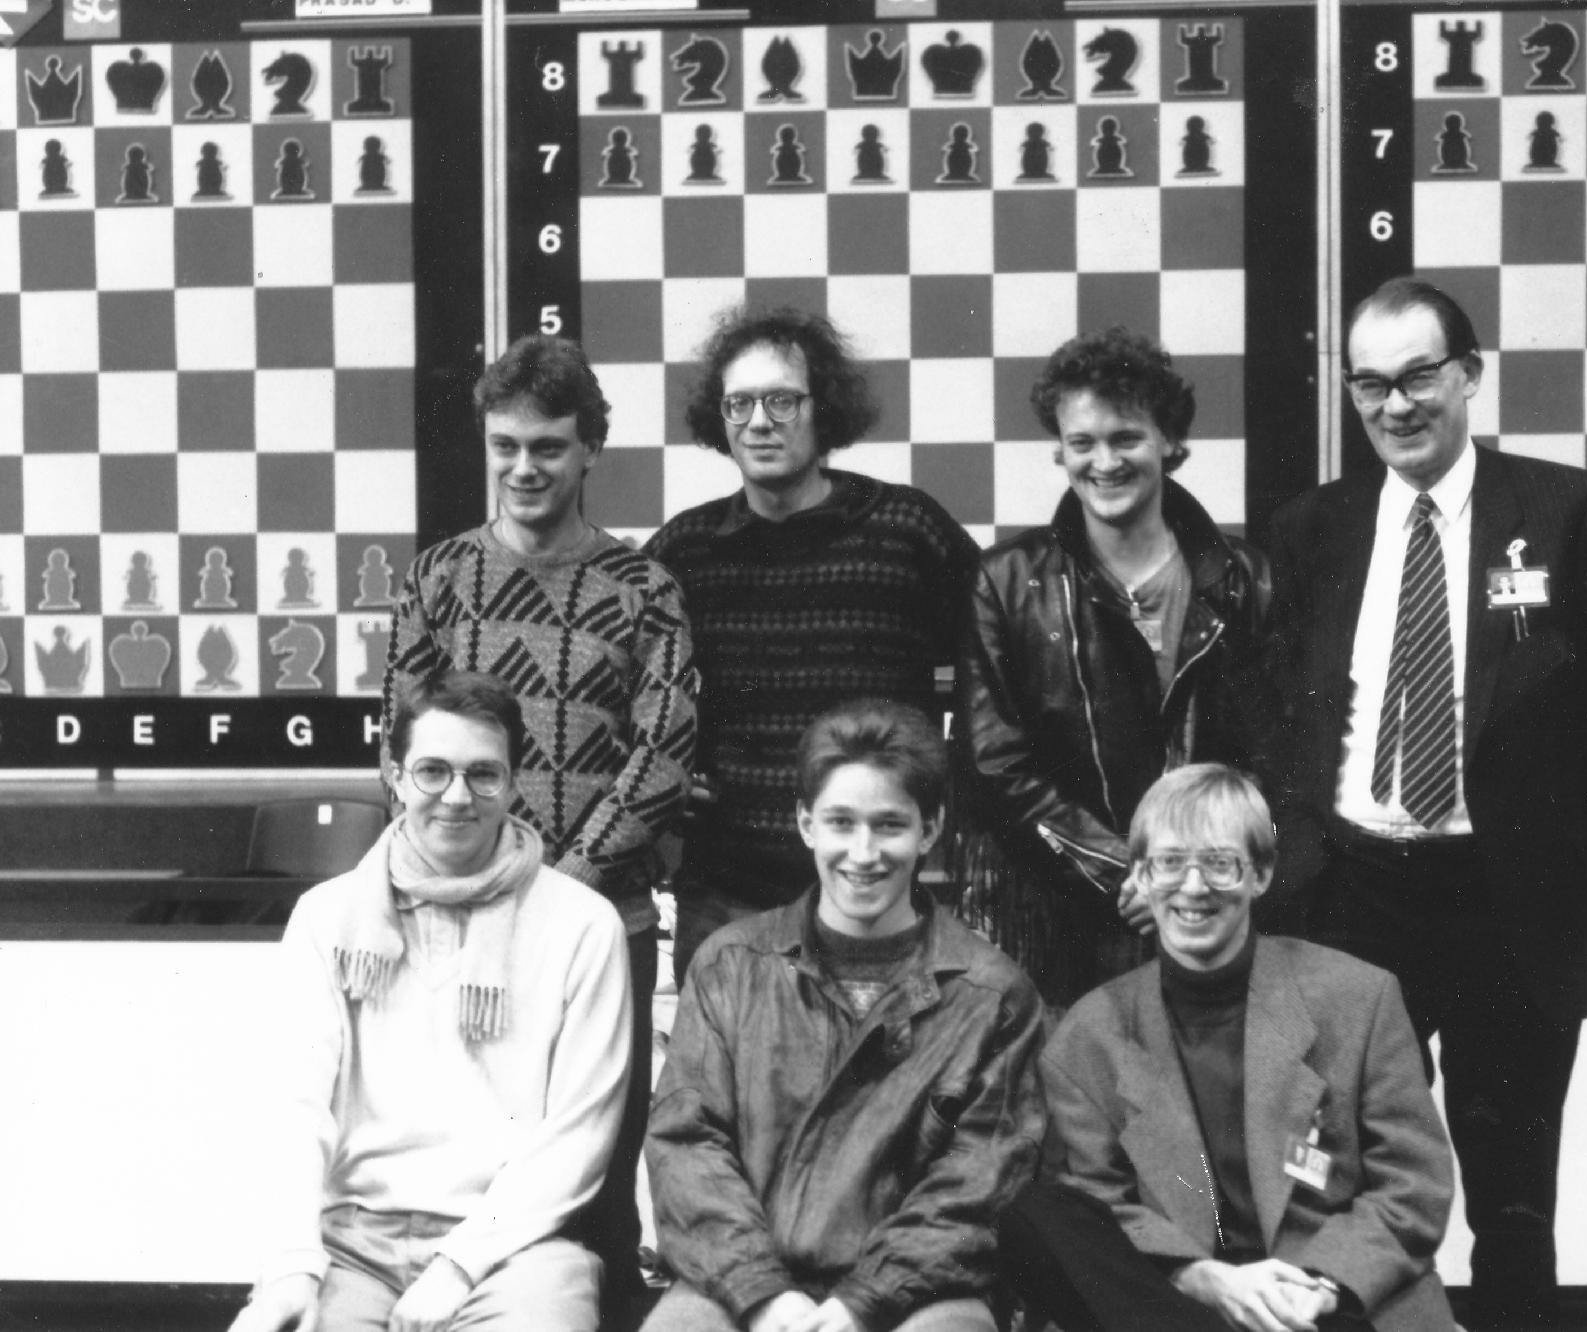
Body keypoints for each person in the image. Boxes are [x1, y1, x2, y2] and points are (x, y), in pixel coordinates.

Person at [1259, 277, 1587, 1329]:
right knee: (1333, 1190)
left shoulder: (1563, 510)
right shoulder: (1309, 528)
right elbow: (1286, 712)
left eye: (1419, 375)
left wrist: (1529, 835)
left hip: (1501, 902)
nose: (1396, 405)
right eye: (1369, 384)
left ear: (1467, 376)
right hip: (1353, 903)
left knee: (1514, 1204)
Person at [380, 333, 698, 1326]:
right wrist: (494, 885)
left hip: (602, 929)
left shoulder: (643, 588)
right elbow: (408, 755)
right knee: (462, 1173)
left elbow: (663, 754)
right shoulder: (437, 580)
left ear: (588, 449)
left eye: (549, 447)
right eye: (507, 445)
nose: (526, 468)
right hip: (457, 928)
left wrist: (555, 887)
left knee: (594, 1190)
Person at [230, 671, 631, 1332]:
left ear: (513, 782)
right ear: (394, 777)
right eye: (432, 771)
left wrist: (458, 1266)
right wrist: (291, 1268)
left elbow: (579, 1135)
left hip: (515, 1248)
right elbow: (295, 1107)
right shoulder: (325, 919)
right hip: (352, 1245)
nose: (457, 796)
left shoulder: (583, 925)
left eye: (484, 774)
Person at [998, 764, 1455, 1332]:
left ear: (1259, 875)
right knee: (1041, 1215)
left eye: (1219, 863)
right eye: (1168, 863)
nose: (1193, 887)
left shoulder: (1359, 997)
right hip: (1184, 1302)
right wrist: (1205, 1280)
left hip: (1322, 1300)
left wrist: (1316, 1288)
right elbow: (1102, 1205)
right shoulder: (1090, 1035)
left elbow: (1412, 1187)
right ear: (1139, 877)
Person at [644, 699, 1045, 1332]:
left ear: (931, 829)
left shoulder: (993, 998)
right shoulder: (730, 967)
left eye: (889, 825)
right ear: (806, 824)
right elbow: (687, 1148)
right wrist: (763, 1293)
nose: (863, 853)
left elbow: (975, 1190)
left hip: (915, 1294)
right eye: (840, 822)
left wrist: (861, 1303)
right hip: (740, 1283)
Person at [643, 307, 979, 981]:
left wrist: (952, 788)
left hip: (873, 882)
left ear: (824, 408)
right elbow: (637, 692)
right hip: (727, 893)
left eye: (782, 401)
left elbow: (995, 673)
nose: (759, 422)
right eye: (738, 404)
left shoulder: (906, 531)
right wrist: (668, 779)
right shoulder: (686, 550)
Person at [955, 326, 1270, 1007]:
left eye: (1126, 437)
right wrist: (1126, 870)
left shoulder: (1247, 580)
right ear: (1060, 451)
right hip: (1057, 924)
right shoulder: (1006, 580)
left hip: (1206, 911)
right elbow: (993, 764)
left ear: (1169, 442)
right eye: (1082, 442)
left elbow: (1271, 753)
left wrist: (1182, 873)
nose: (1104, 461)